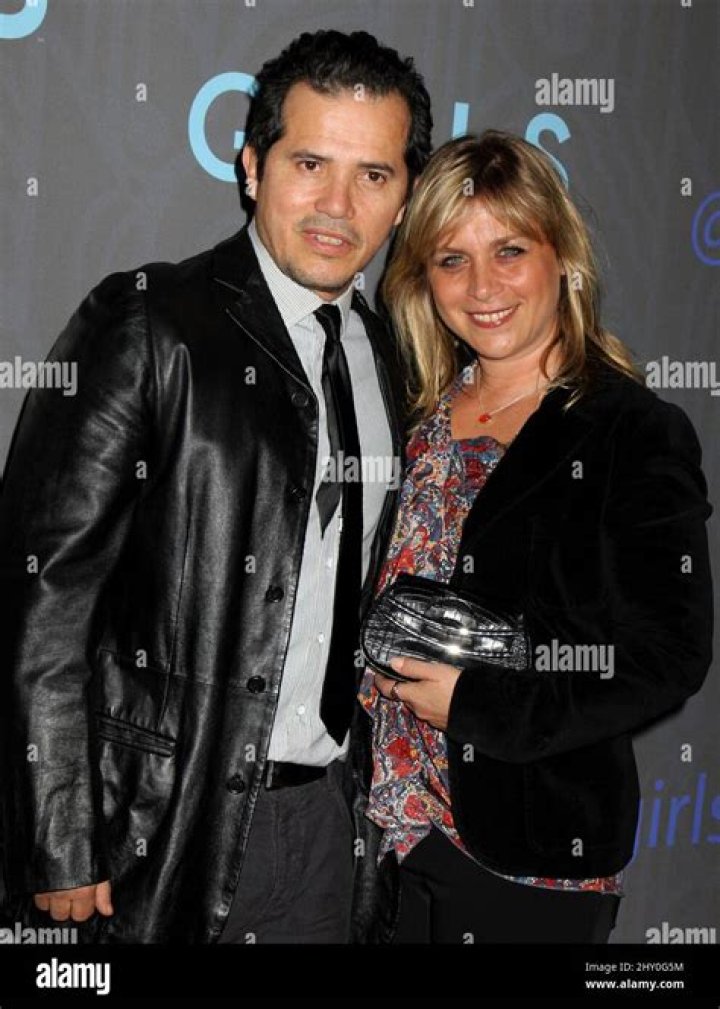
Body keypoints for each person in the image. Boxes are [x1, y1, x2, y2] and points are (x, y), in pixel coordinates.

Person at [0, 29, 432, 943]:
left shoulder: (391, 355)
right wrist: (58, 833)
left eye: (373, 174)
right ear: (251, 166)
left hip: (328, 825)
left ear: (404, 196)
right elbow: (42, 592)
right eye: (309, 163)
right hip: (154, 828)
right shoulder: (150, 321)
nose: (337, 205)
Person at [359, 130, 713, 944]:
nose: (482, 286)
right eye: (452, 259)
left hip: (526, 856)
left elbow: (667, 655)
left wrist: (482, 706)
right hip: (379, 840)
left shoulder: (630, 430)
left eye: (510, 250)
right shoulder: (408, 413)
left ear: (562, 257)